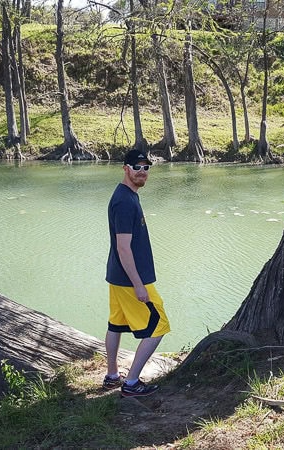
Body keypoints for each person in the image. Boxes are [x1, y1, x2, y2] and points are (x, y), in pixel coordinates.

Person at [102, 149, 170, 397]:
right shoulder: (124, 201)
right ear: (125, 168)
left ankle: (112, 376)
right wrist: (139, 285)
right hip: (131, 280)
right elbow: (123, 246)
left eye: (146, 168)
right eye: (137, 167)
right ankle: (130, 383)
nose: (142, 172)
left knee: (116, 324)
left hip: (117, 277)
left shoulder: (128, 195)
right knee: (159, 326)